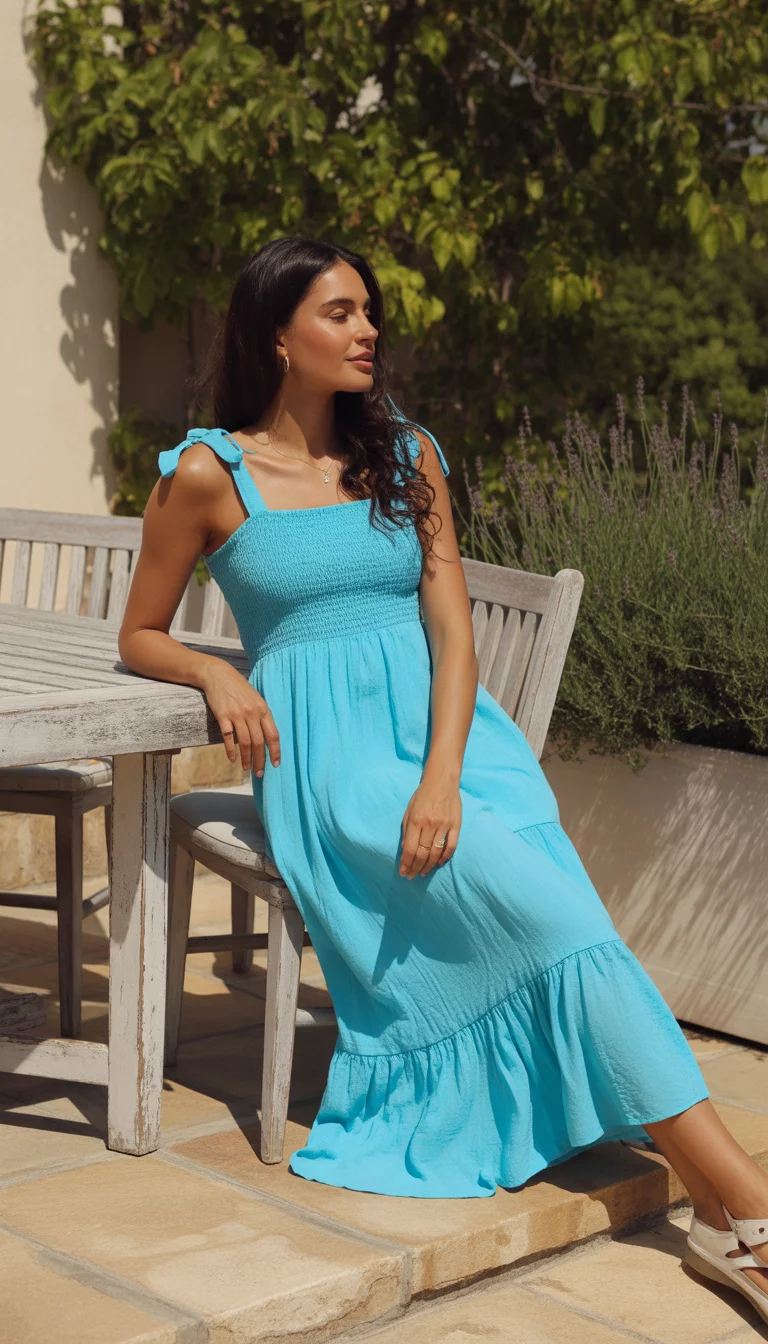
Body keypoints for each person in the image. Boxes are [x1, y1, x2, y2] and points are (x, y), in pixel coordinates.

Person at [118, 236, 768, 1326]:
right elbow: (138, 631)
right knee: (559, 925)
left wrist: (444, 779)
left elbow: (453, 633)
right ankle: (745, 1214)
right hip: (330, 768)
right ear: (276, 336)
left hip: (454, 752)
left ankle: (733, 1213)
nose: (368, 329)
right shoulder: (205, 475)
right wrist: (209, 671)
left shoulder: (408, 453)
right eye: (339, 312)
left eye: (368, 311)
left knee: (566, 922)